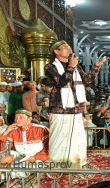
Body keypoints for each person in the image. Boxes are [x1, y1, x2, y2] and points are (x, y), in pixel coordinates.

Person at [44, 40, 106, 169]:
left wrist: (96, 66)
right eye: (65, 47)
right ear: (57, 51)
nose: (69, 48)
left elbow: (87, 80)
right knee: (59, 138)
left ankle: (76, 162)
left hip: (76, 109)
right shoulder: (50, 67)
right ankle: (57, 165)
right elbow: (61, 82)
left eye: (69, 47)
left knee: (77, 138)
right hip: (59, 109)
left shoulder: (77, 66)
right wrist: (71, 66)